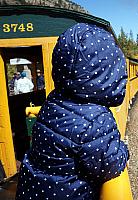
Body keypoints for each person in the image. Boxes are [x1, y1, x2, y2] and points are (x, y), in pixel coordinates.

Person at [16, 23, 129, 200]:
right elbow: (112, 163)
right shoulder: (96, 121)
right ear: (110, 72)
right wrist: (123, 148)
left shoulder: (52, 102)